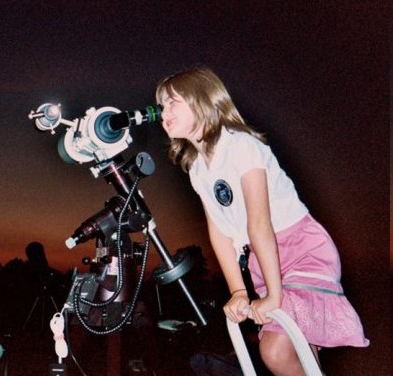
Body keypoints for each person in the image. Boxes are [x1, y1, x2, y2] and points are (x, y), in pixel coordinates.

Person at [155, 67, 369, 375]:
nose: (164, 112)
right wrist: (238, 291)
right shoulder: (197, 169)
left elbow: (260, 223)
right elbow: (220, 235)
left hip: (299, 249)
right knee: (295, 352)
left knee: (276, 351)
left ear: (203, 100)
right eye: (162, 106)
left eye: (173, 102)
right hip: (262, 257)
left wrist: (274, 294)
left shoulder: (241, 146)